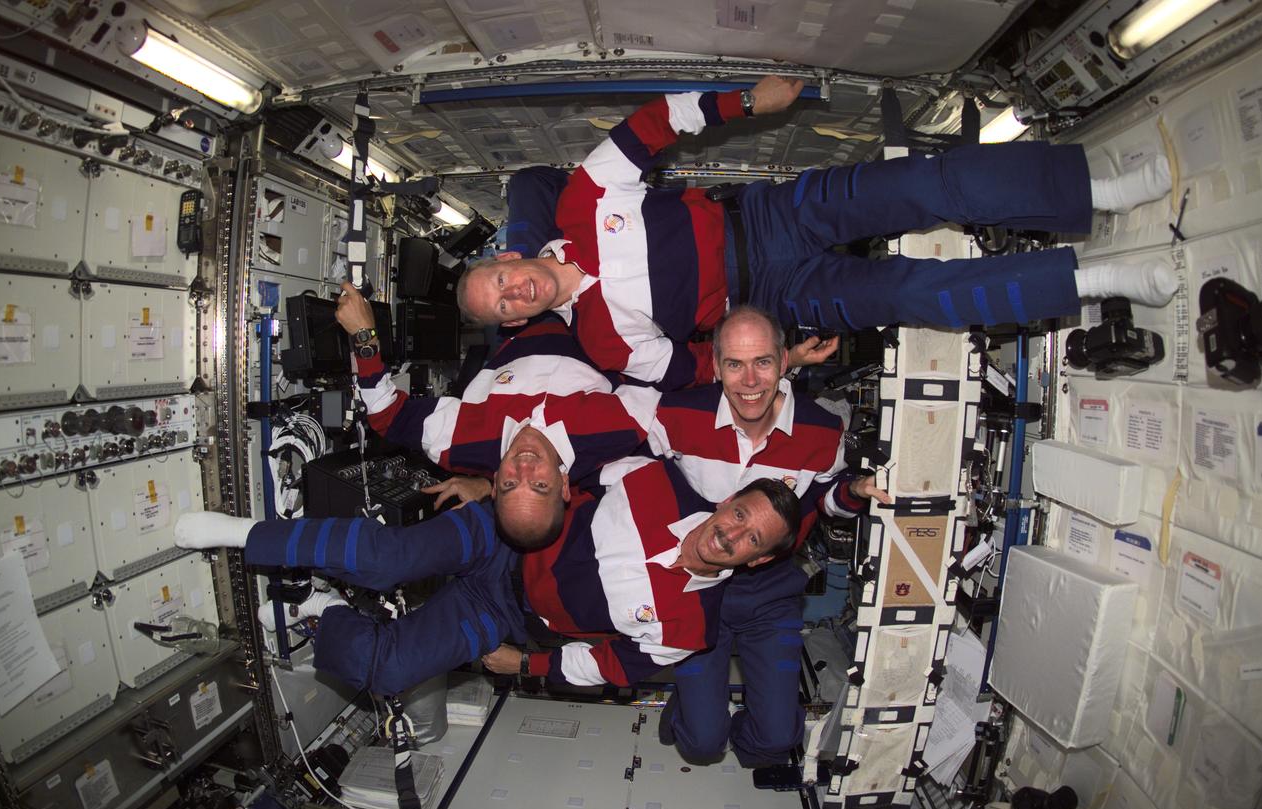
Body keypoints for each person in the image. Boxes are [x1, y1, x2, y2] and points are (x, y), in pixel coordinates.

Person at [455, 75, 1178, 389]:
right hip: (776, 297)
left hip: (770, 215)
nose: (514, 294)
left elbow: (653, 124)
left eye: (500, 281)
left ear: (506, 255)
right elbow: (691, 369)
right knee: (914, 295)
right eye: (504, 307)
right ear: (515, 322)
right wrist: (779, 359)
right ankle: (1093, 281)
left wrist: (747, 103)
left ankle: (1097, 193)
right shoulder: (602, 342)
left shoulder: (581, 203)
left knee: (924, 185)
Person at [173, 459, 800, 693]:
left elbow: (608, 666)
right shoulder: (655, 478)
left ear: (759, 560)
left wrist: (525, 664)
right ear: (727, 501)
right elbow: (562, 467)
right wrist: (491, 482)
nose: (733, 533)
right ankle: (247, 534)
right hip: (502, 537)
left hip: (505, 615)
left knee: (385, 672)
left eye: (753, 539)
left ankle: (322, 608)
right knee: (387, 559)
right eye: (741, 514)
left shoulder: (692, 630)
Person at [640, 306, 889, 767]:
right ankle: (696, 713)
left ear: (783, 361)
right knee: (701, 745)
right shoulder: (676, 415)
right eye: (735, 364)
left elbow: (824, 502)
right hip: (697, 591)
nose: (750, 380)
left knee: (776, 741)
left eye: (763, 362)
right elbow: (635, 479)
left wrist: (853, 492)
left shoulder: (821, 430)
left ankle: (718, 718)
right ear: (716, 367)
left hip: (770, 593)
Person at [335, 284, 657, 548]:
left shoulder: (459, 442)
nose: (524, 467)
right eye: (540, 484)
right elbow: (656, 381)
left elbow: (386, 415)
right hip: (591, 309)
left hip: (521, 310)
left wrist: (364, 335)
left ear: (494, 485)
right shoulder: (613, 438)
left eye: (510, 483)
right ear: (562, 486)